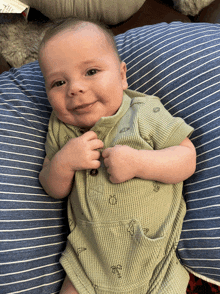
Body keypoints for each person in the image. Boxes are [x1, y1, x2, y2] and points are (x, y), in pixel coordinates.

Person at [38, 17, 196, 294]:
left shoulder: (145, 112)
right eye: (58, 82)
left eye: (91, 72)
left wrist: (139, 163)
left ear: (122, 76)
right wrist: (63, 162)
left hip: (155, 261)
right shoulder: (62, 129)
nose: (74, 88)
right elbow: (52, 188)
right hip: (88, 262)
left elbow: (186, 158)